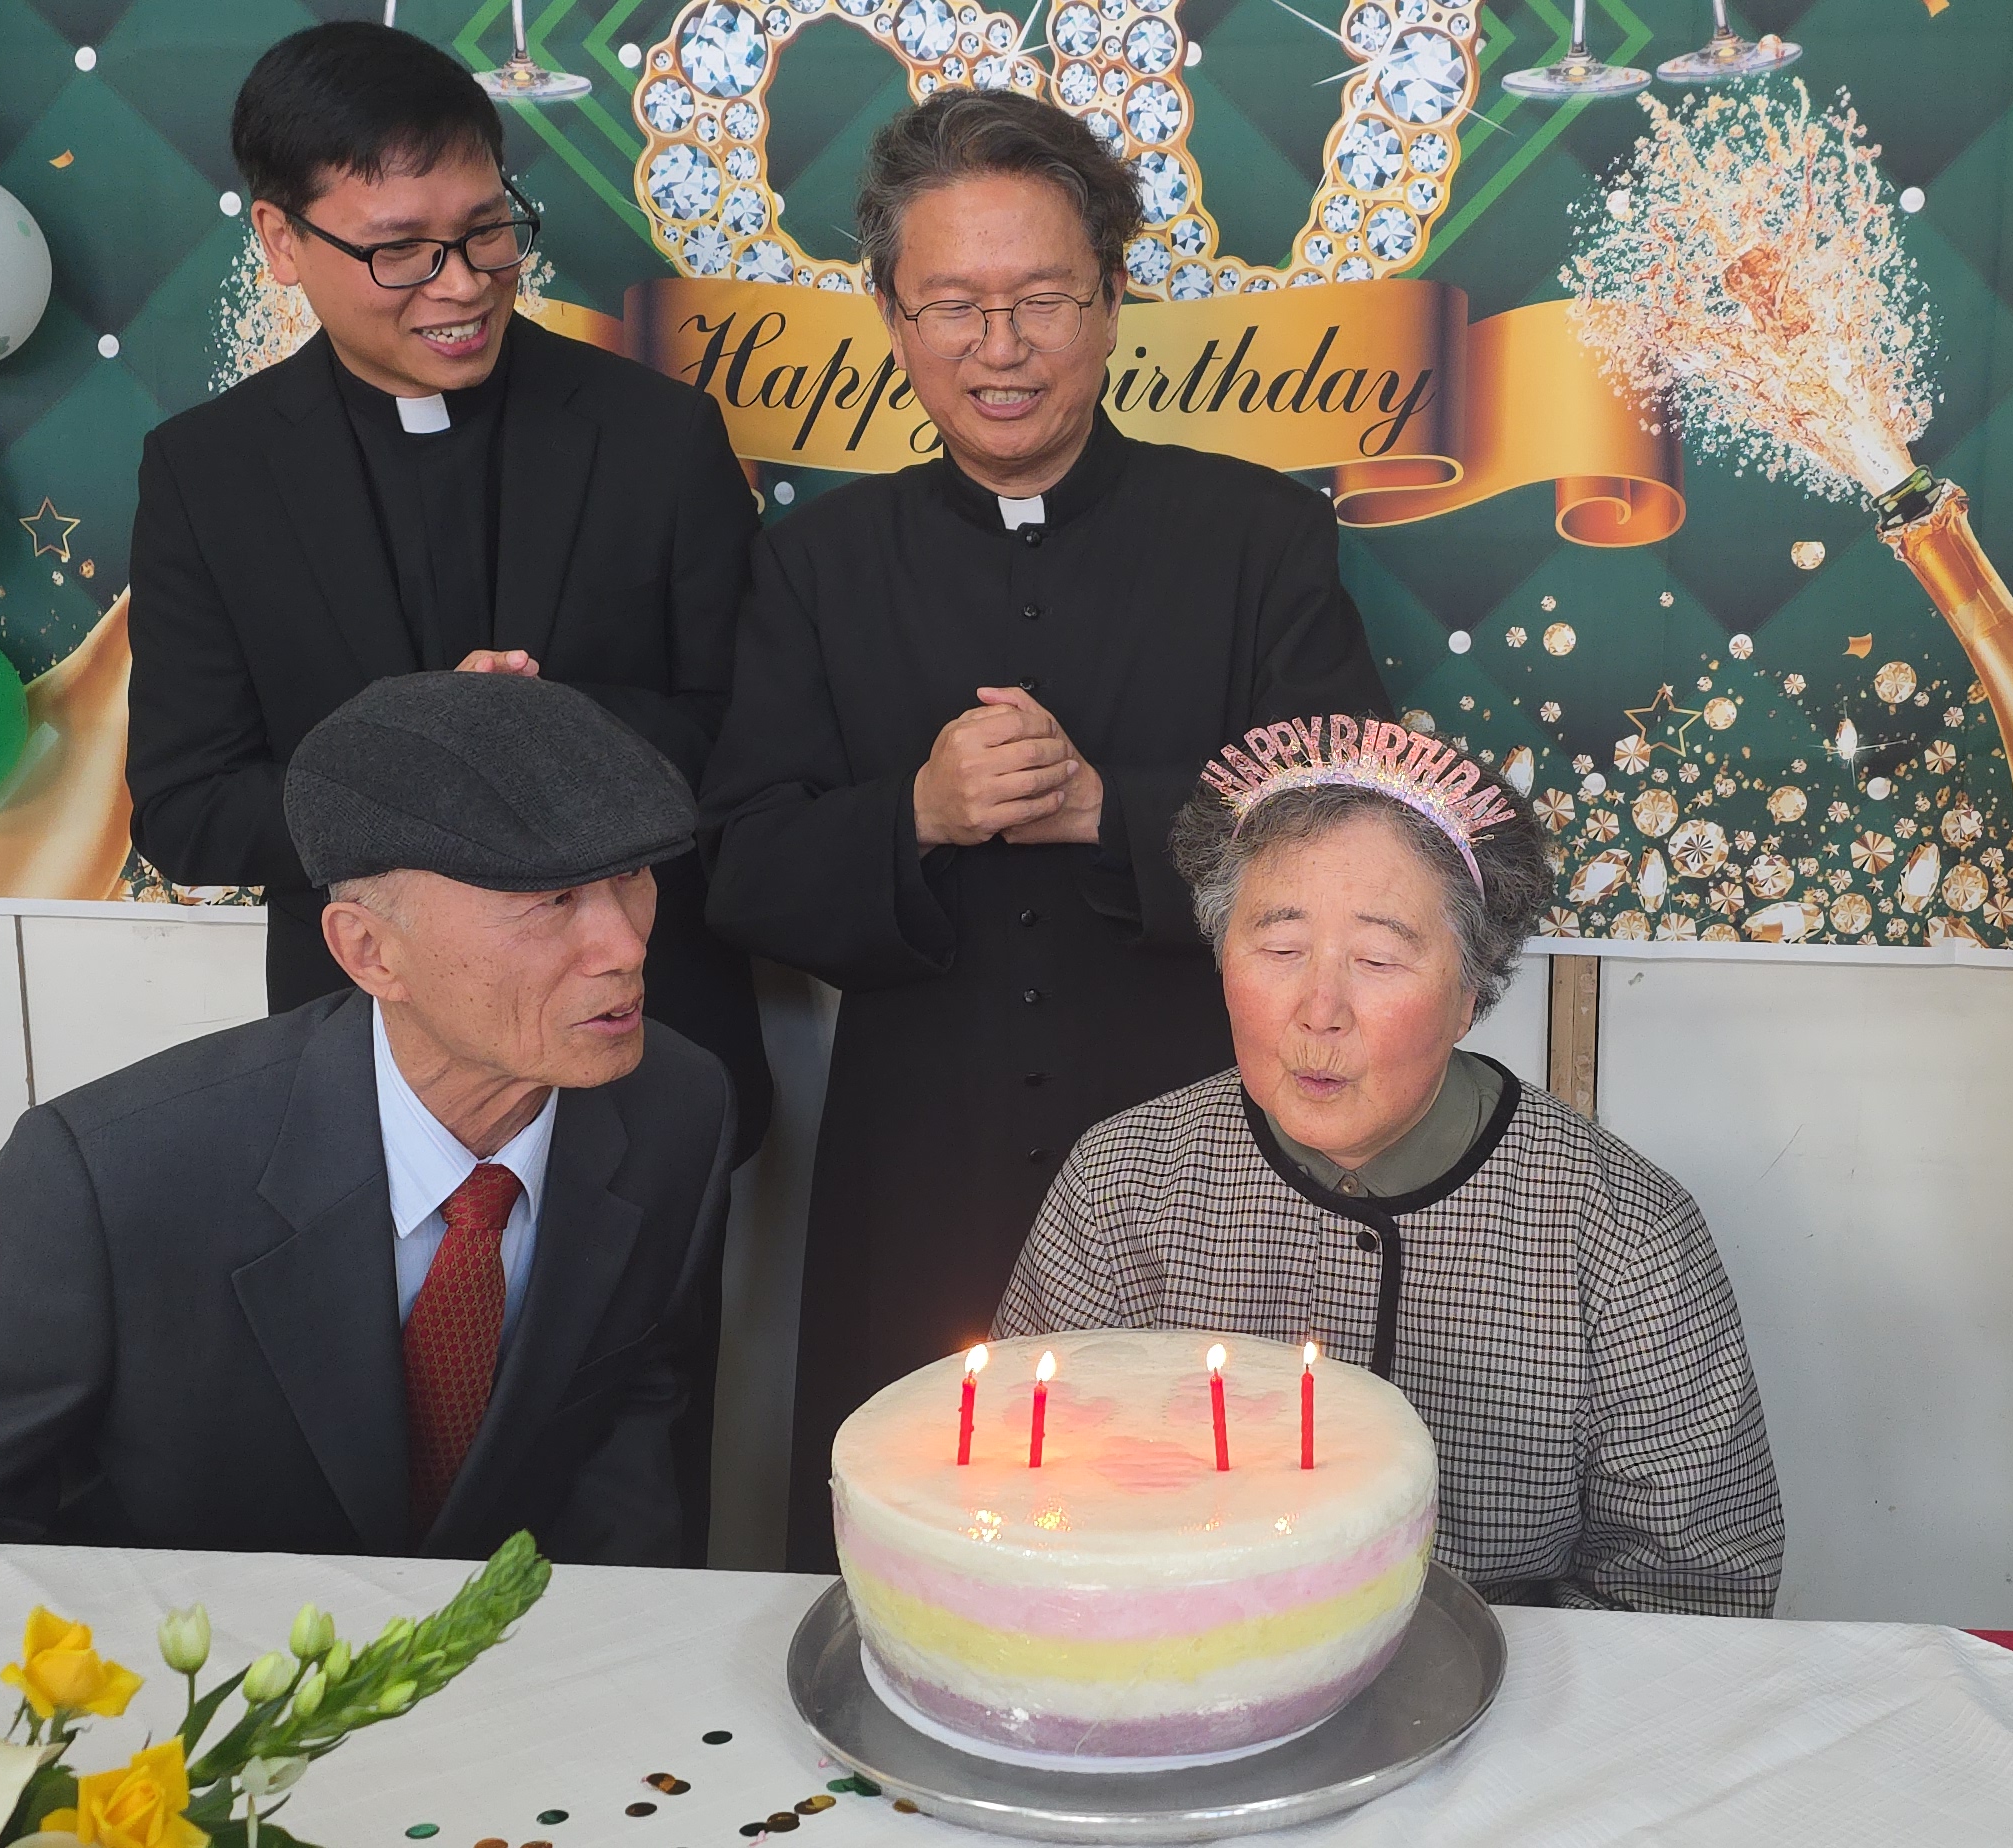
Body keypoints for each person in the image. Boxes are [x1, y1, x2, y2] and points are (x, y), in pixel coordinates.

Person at [700, 89, 1392, 1570]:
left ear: (1115, 296)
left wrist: (1112, 812)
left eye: (1041, 301)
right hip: (916, 1160)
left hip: (1201, 1144)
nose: (998, 349)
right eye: (953, 304)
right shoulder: (815, 565)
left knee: (1217, 1543)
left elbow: (1354, 829)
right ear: (890, 313)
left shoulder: (1257, 537)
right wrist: (918, 815)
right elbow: (742, 864)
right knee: (919, 1550)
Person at [0, 674, 735, 1564]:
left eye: (633, 877)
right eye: (550, 901)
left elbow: (630, 1428)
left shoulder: (676, 1109)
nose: (625, 945)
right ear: (368, 951)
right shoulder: (111, 1175)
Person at [124, 22, 770, 1161]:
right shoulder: (207, 473)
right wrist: (412, 772)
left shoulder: (656, 436)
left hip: (647, 1051)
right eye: (402, 251)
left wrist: (544, 730)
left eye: (487, 232)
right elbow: (185, 809)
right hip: (363, 1072)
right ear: (280, 236)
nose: (463, 285)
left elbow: (756, 742)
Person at [993, 717, 1784, 1616]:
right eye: (1281, 950)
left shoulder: (1621, 1231)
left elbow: (1696, 1590)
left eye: (1376, 959)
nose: (1319, 1010)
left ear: (1470, 991)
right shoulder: (1125, 1182)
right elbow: (1025, 1501)